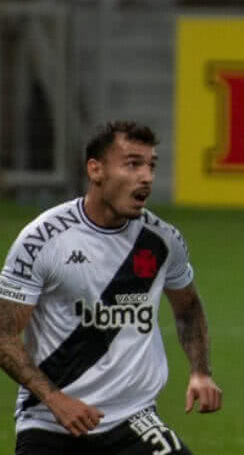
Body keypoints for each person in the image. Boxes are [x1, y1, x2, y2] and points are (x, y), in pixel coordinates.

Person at [0, 120, 222, 454]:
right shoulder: (42, 239)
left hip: (131, 420)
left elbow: (188, 307)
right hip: (50, 422)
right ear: (96, 170)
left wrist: (200, 372)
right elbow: (4, 333)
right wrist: (55, 399)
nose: (145, 176)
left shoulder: (163, 240)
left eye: (151, 165)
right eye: (133, 164)